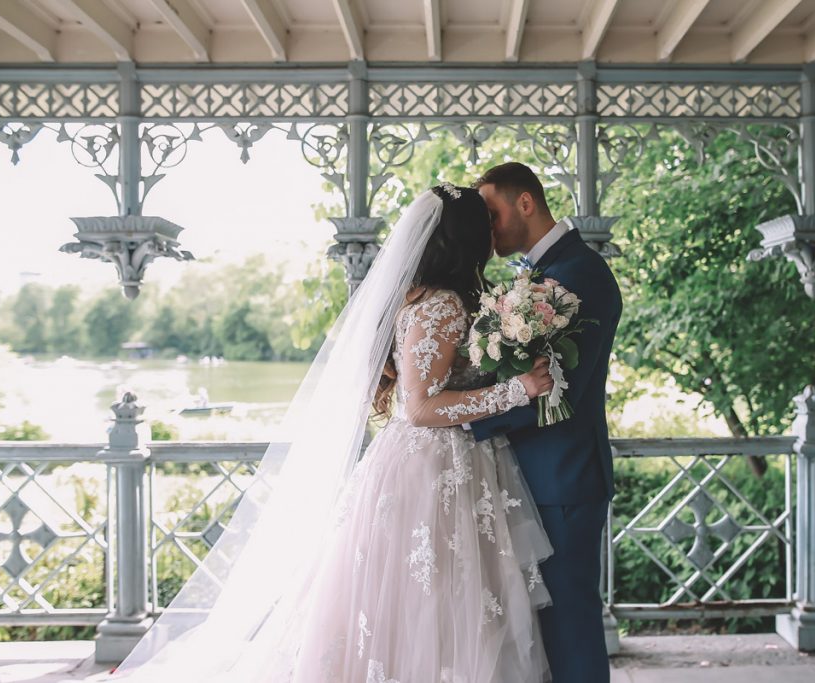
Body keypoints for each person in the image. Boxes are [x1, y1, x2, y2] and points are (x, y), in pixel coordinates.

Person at [111, 185, 556, 682]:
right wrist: (518, 388)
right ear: (467, 238)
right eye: (486, 223)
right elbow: (421, 407)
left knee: (426, 601)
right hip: (433, 466)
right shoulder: (444, 305)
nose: (494, 231)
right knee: (434, 601)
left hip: (435, 462)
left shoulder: (422, 298)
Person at [471, 162, 622, 683]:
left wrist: (463, 421)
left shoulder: (580, 274)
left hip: (564, 479)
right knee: (538, 628)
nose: (487, 229)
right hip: (535, 477)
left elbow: (556, 394)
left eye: (492, 214)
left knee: (570, 625)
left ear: (526, 203)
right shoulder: (541, 274)